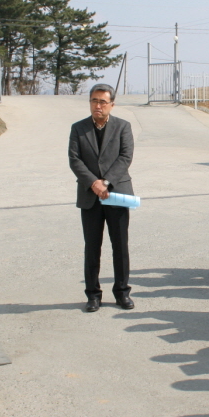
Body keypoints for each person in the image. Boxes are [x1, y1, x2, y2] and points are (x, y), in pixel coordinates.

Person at [69, 84, 135, 313]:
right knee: (92, 247)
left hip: (116, 193)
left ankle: (122, 292)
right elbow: (75, 160)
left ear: (111, 105)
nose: (97, 105)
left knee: (120, 246)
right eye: (94, 101)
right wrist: (94, 183)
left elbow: (125, 157)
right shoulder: (78, 128)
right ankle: (93, 295)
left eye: (102, 102)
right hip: (90, 196)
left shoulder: (123, 127)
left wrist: (105, 182)